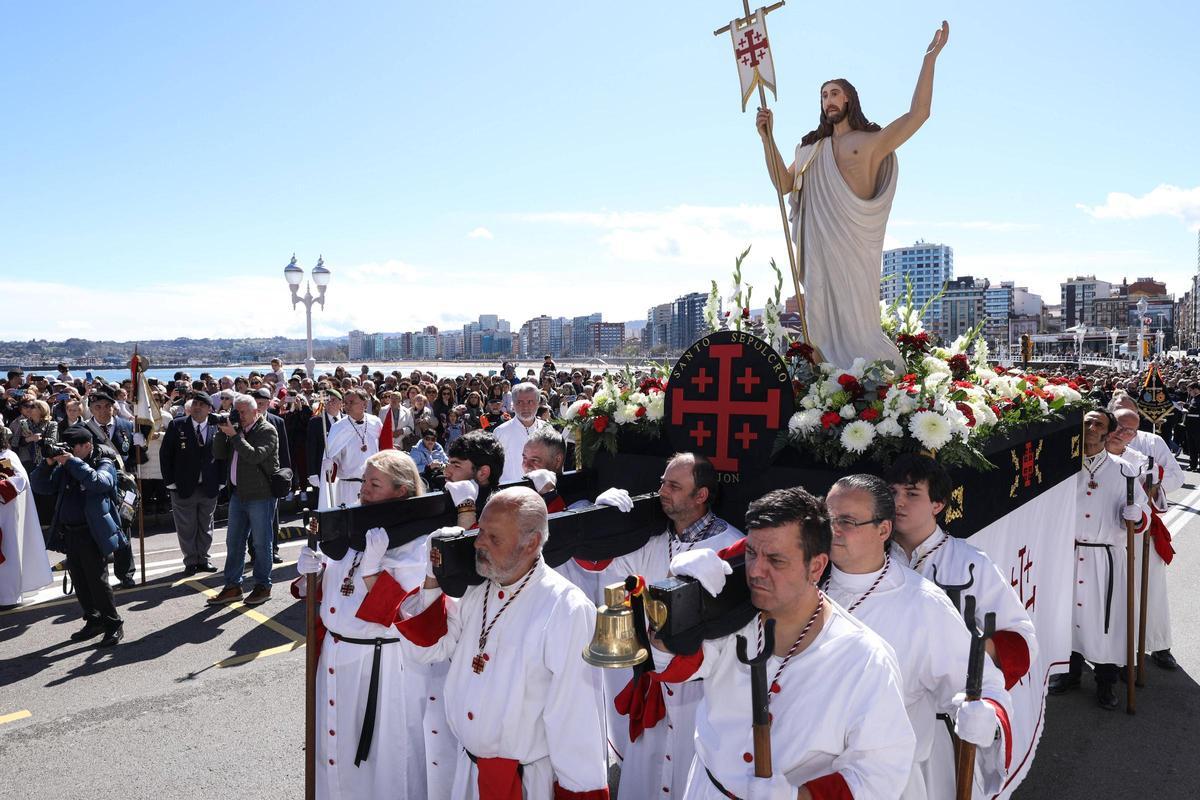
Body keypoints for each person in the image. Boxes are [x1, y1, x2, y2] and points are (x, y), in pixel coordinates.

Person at [661, 486, 916, 798]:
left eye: (776, 560)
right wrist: (675, 601)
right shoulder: (730, 614)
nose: (756, 571)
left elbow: (879, 771)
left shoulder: (864, 658)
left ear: (816, 566)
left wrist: (797, 797)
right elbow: (670, 664)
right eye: (751, 553)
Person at [755, 21, 950, 368]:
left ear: (848, 98)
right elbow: (784, 184)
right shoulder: (810, 149)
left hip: (856, 249)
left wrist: (929, 60)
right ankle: (826, 381)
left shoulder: (869, 143)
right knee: (820, 325)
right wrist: (767, 138)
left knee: (861, 326)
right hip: (819, 252)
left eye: (834, 93)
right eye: (823, 95)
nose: (828, 100)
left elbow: (918, 114)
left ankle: (870, 379)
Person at [398, 487, 611, 799]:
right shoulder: (477, 587)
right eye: (481, 532)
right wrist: (432, 578)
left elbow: (576, 722)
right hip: (467, 774)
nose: (479, 543)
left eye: (494, 538)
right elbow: (426, 650)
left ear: (531, 543)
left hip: (525, 783)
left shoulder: (566, 608)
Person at [823, 475, 1013, 798]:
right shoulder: (804, 588)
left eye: (848, 521)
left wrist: (987, 717)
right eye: (827, 518)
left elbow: (985, 686)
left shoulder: (923, 602)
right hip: (811, 775)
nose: (833, 529)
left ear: (883, 530)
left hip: (892, 780)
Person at [293, 450, 445, 799]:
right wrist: (313, 572)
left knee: (382, 761)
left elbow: (408, 617)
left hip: (380, 666)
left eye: (374, 484)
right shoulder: (354, 529)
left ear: (401, 491)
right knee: (333, 751)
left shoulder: (418, 545)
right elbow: (335, 588)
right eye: (364, 481)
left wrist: (373, 571)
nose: (363, 489)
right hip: (336, 657)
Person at [597, 453, 744, 796]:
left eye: (674, 486)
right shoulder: (653, 540)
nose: (663, 491)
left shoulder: (730, 548)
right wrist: (604, 524)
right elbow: (604, 570)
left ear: (701, 495)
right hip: (652, 682)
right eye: (663, 482)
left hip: (699, 690)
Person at [885, 454, 1039, 691]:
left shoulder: (971, 563)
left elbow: (1022, 641)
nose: (898, 502)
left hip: (944, 698)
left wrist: (962, 646)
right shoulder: (871, 556)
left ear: (938, 504)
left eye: (912, 494)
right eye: (893, 492)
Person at [1049, 410, 1148, 709]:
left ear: (1108, 432)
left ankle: (1106, 682)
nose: (1091, 428)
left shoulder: (1124, 471)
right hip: (1070, 554)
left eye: (1098, 424)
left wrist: (1136, 516)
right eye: (1087, 423)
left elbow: (1142, 515)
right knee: (1069, 616)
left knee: (1107, 621)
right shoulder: (1064, 468)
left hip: (1106, 558)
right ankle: (1070, 673)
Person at [30, 427, 127, 646]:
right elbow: (40, 486)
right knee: (80, 581)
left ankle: (113, 623)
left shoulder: (104, 462)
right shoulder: (66, 467)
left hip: (92, 532)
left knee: (97, 581)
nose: (68, 452)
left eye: (72, 447)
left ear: (87, 445)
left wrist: (72, 462)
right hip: (70, 532)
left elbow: (99, 483)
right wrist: (48, 463)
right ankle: (94, 620)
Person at [1105, 406, 1181, 671]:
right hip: (1106, 532)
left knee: (1150, 590)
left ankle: (1159, 644)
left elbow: (1175, 477)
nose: (1122, 432)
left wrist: (1151, 487)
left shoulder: (1150, 445)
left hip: (1141, 528)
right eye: (1118, 425)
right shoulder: (1096, 446)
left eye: (1129, 429)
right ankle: (1112, 651)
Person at [209, 394, 280, 607]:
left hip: (261, 495)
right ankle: (233, 586)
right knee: (234, 542)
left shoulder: (266, 430)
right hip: (238, 494)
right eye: (236, 411)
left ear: (255, 411)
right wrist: (222, 432)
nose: (238, 416)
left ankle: (263, 585)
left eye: (242, 412)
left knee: (261, 543)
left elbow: (255, 456)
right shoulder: (237, 429)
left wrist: (235, 436)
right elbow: (218, 453)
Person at [159, 392, 222, 575]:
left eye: (202, 405)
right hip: (183, 485)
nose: (197, 407)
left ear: (209, 409)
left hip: (209, 485)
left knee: (206, 525)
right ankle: (191, 560)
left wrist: (222, 480)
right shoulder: (177, 425)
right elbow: (166, 455)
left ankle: (203, 558)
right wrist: (170, 482)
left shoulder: (217, 426)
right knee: (186, 527)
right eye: (195, 404)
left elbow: (223, 455)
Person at [83, 389, 137, 589]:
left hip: (124, 487)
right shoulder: (83, 430)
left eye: (107, 406)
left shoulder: (126, 425)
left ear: (114, 407)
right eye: (98, 407)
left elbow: (134, 457)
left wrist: (141, 446)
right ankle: (99, 575)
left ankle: (126, 573)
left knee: (125, 527)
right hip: (97, 486)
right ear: (91, 409)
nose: (103, 411)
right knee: (98, 530)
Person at [0, 424, 53, 610]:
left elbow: (19, 481)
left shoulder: (6, 457)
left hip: (6, 516)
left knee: (8, 553)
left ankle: (8, 597)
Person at [321, 389, 383, 509]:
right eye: (345, 403)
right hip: (348, 487)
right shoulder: (339, 427)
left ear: (364, 404)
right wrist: (330, 465)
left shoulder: (375, 423)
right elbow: (333, 455)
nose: (347, 406)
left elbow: (382, 450)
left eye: (351, 402)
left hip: (373, 484)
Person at [493, 383, 554, 484]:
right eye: (520, 402)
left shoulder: (547, 429)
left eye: (530, 402)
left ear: (538, 403)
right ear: (513, 404)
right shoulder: (501, 432)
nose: (525, 407)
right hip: (511, 490)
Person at [306, 389, 344, 509]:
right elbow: (311, 449)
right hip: (323, 469)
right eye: (327, 400)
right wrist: (312, 473)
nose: (330, 403)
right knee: (324, 503)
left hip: (344, 469)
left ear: (341, 403)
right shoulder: (316, 422)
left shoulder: (347, 420)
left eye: (333, 400)